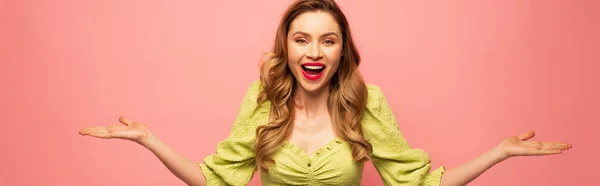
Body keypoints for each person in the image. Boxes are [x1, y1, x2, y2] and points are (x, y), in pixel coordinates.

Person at [78, 0, 572, 185]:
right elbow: (216, 181)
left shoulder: (366, 103)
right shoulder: (262, 102)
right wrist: (149, 140)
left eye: (328, 39)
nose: (314, 50)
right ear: (287, 48)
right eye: (302, 38)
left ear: (341, 51)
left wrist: (500, 153)